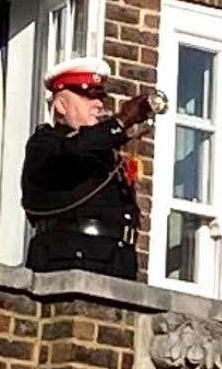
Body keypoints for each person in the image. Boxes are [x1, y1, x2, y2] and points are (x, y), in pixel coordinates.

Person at [21, 57, 153, 279]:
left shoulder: (102, 152)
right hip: (69, 260)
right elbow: (74, 149)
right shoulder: (46, 142)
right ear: (62, 104)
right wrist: (120, 122)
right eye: (88, 96)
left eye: (100, 97)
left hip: (115, 262)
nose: (99, 104)